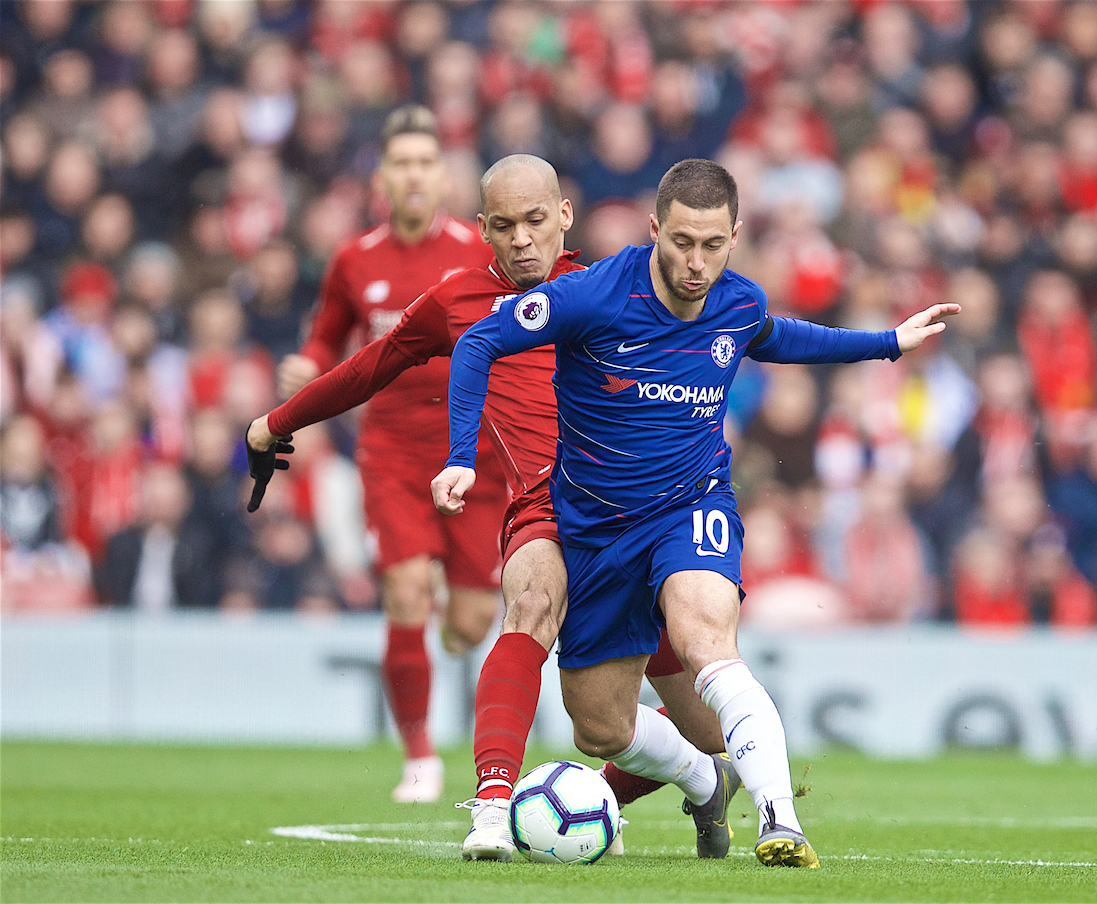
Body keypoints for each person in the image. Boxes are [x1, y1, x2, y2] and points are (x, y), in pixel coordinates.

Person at [433, 158, 958, 867]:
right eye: (682, 242)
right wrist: (462, 455)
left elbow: (781, 336)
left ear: (735, 236)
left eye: (713, 245)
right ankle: (702, 777)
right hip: (595, 530)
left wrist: (888, 344)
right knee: (599, 728)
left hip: (690, 508)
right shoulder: (592, 296)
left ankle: (782, 822)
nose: (696, 262)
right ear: (655, 230)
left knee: (707, 636)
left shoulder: (736, 302)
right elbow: (479, 341)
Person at [245, 154, 725, 861]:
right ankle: (494, 808)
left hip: (640, 516)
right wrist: (273, 422)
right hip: (543, 507)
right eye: (505, 226)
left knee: (701, 730)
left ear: (564, 216)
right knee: (529, 602)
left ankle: (687, 782)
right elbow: (367, 367)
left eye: (536, 221)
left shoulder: (619, 287)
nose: (523, 239)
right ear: (483, 230)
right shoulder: (457, 301)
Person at [271, 105, 508, 804]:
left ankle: (443, 636)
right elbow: (327, 338)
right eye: (401, 162)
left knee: (467, 624)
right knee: (405, 593)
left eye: (426, 162)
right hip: (393, 453)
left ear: (443, 177)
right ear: (382, 176)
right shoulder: (355, 258)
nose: (414, 174)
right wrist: (305, 365)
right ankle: (419, 757)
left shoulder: (480, 252)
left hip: (475, 455)